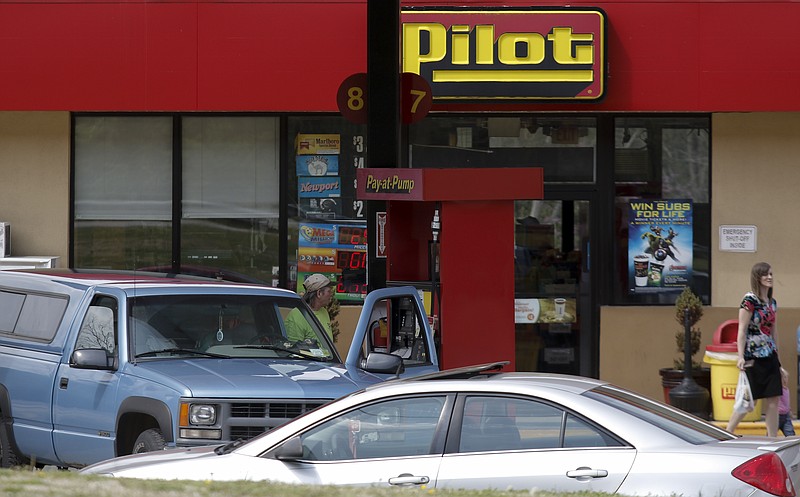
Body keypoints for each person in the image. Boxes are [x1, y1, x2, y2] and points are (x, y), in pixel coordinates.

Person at [726, 262, 786, 437]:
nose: (769, 277)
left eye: (771, 274)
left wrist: (779, 362)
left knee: (774, 398)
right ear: (757, 277)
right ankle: (728, 433)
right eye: (765, 274)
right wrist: (740, 356)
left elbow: (774, 331)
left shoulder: (772, 303)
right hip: (753, 356)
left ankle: (772, 439)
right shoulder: (749, 301)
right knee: (746, 399)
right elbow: (742, 330)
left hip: (770, 356)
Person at [285, 273, 334, 342]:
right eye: (329, 291)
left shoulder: (323, 311)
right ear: (319, 293)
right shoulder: (297, 316)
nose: (331, 294)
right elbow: (293, 347)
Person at [779, 368, 796, 436]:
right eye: (784, 377)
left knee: (790, 432)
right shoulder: (778, 389)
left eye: (786, 377)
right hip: (778, 415)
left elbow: (787, 402)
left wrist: (790, 411)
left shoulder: (787, 389)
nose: (785, 379)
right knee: (772, 432)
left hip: (786, 416)